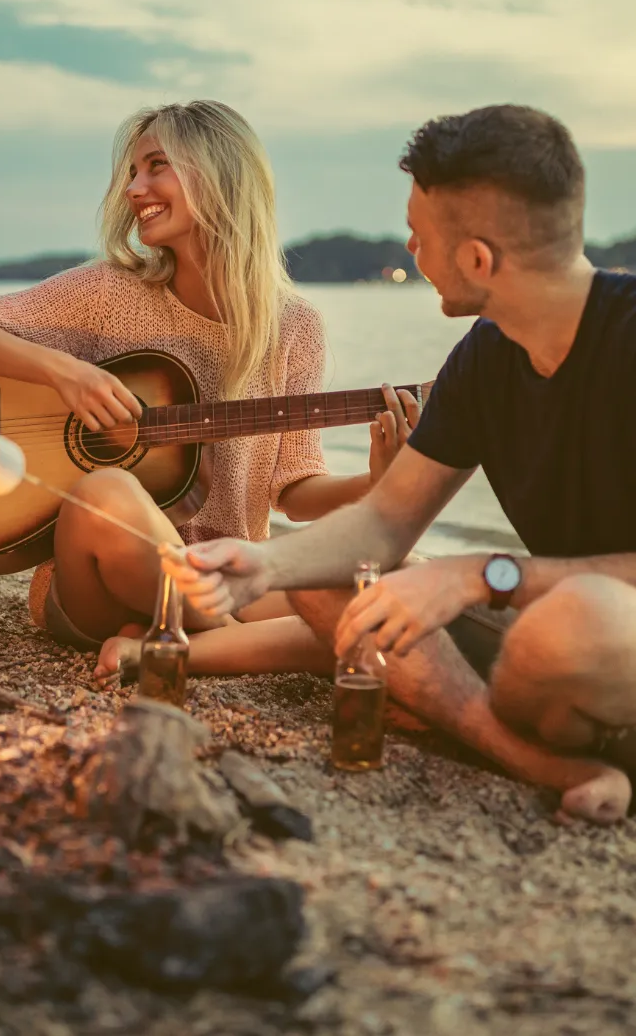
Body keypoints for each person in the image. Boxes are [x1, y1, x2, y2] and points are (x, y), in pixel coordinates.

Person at [163, 104, 636, 825]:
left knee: (579, 620)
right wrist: (264, 565)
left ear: (477, 259)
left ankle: (535, 729)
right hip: (553, 666)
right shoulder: (485, 357)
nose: (410, 249)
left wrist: (480, 573)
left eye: (419, 236)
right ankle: (538, 758)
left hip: (596, 638)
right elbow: (384, 521)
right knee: (332, 582)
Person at [0, 100, 419, 650]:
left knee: (404, 572)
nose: (134, 189)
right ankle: (238, 643)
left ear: (222, 174)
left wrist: (379, 483)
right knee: (108, 489)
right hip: (101, 579)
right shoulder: (112, 290)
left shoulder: (295, 326)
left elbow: (295, 491)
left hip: (231, 576)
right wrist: (66, 373)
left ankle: (179, 640)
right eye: (133, 172)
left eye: (156, 166)